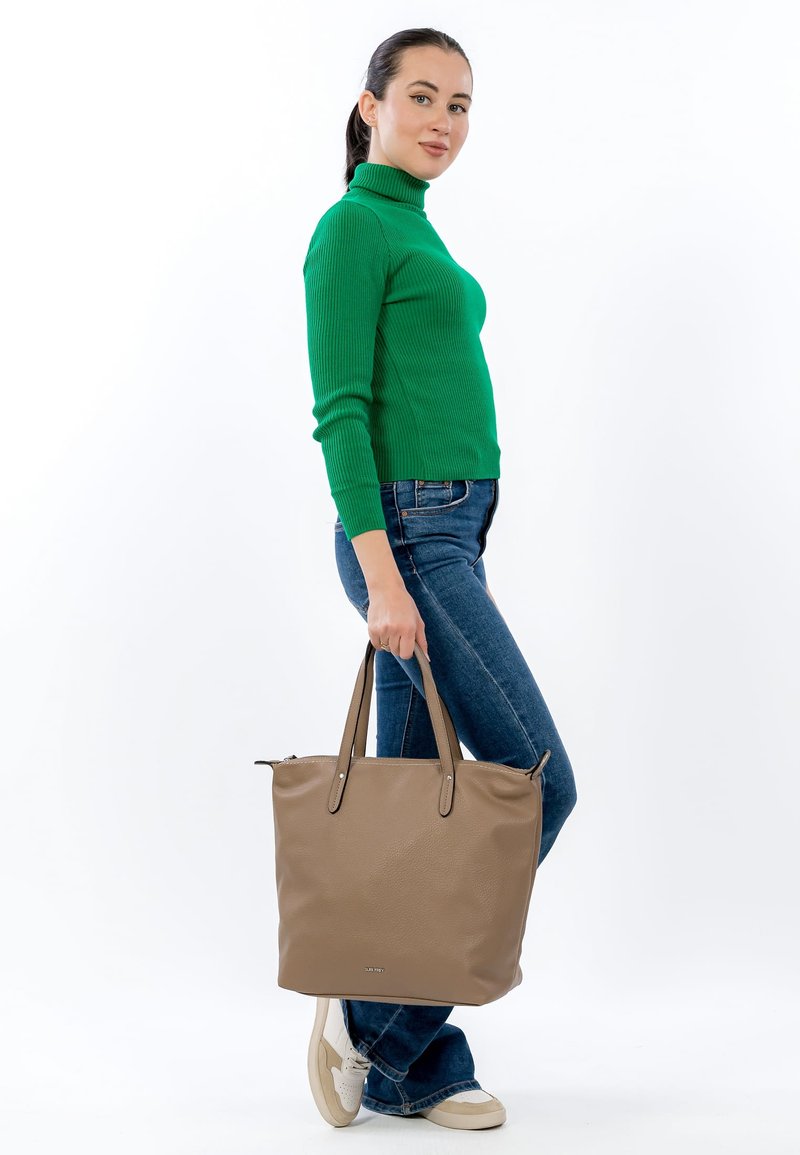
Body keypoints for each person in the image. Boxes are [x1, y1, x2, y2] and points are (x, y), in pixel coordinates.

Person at [302, 27, 578, 1130]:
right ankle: (377, 1021)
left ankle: (409, 1062)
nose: (442, 122)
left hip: (447, 537)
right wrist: (385, 580)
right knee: (537, 783)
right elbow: (340, 414)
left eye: (459, 105)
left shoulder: (413, 225)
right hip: (409, 541)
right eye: (421, 97)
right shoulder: (351, 229)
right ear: (369, 106)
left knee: (425, 806)